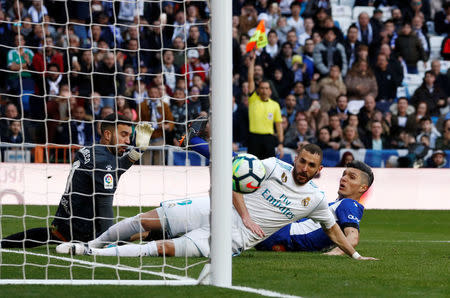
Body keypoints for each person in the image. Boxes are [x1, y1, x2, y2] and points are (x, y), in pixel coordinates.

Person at [56, 144, 377, 261]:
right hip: (216, 209)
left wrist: (356, 255)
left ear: (319, 170)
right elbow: (233, 181)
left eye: (311, 166)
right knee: (145, 221)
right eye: (302, 161)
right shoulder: (271, 166)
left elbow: (335, 231)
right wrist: (244, 212)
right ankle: (91, 244)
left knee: (163, 248)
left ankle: (90, 253)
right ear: (295, 159)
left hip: (232, 239)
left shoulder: (317, 200)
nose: (304, 169)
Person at [0, 115, 154, 248]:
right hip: (82, 231)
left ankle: (3, 242)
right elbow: (105, 207)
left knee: (48, 235)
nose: (128, 141)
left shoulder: (92, 149)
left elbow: (117, 168)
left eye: (129, 136)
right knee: (142, 229)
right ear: (107, 134)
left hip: (64, 221)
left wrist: (138, 150)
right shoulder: (103, 162)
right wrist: (108, 242)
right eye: (124, 135)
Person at [255, 160, 372, 253]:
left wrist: (334, 253)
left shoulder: (349, 203)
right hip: (283, 234)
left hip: (284, 234)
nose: (344, 178)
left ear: (363, 188)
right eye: (344, 174)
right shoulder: (337, 204)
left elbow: (353, 237)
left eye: (351, 177)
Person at [247, 51, 284, 159]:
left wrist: (281, 143)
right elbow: (250, 79)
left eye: (266, 88)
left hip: (269, 139)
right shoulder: (253, 99)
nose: (264, 90)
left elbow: (279, 125)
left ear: (270, 91)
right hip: (254, 138)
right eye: (262, 88)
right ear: (258, 89)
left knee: (268, 167)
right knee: (253, 167)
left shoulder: (275, 105)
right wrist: (252, 61)